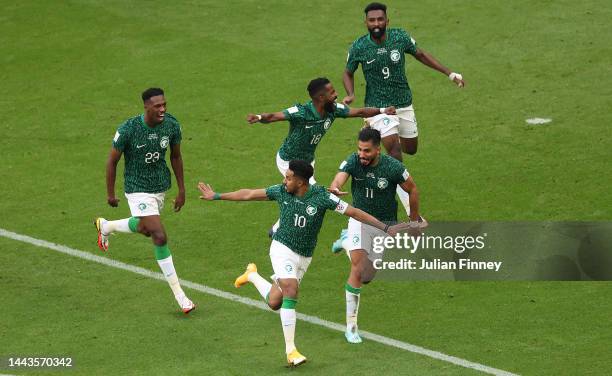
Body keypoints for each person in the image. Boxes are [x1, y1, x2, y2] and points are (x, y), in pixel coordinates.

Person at [197, 160, 409, 367]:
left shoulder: (322, 197)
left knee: (275, 302)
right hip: (282, 248)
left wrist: (385, 227)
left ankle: (252, 275)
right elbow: (249, 193)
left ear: (301, 182)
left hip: (304, 256)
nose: (284, 181)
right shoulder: (280, 191)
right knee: (291, 289)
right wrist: (217, 196)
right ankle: (291, 350)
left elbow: (354, 212)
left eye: (288, 178)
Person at [342, 1, 465, 214]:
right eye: (372, 20)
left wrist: (449, 73)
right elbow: (348, 72)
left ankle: (382, 155)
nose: (376, 23)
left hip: (404, 104)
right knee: (395, 151)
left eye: (380, 19)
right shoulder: (359, 47)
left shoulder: (400, 37)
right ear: (366, 23)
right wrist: (351, 93)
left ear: (387, 21)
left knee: (410, 149)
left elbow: (421, 54)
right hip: (379, 108)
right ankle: (410, 208)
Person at [246, 77, 396, 235]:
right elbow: (275, 116)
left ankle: (280, 224)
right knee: (309, 193)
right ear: (321, 97)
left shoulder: (334, 110)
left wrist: (382, 110)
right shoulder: (302, 112)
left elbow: (359, 112)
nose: (336, 94)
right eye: (332, 92)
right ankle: (278, 229)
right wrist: (259, 117)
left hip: (308, 161)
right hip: (288, 161)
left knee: (304, 193)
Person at [94, 88, 195, 314]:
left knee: (145, 228)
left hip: (159, 187)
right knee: (158, 235)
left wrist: (181, 189)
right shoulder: (128, 129)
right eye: (157, 106)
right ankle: (181, 296)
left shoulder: (171, 125)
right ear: (146, 107)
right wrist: (110, 193)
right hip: (137, 188)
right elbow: (112, 162)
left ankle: (106, 226)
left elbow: (176, 156)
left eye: (164, 105)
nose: (163, 109)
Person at [328, 128, 424, 343]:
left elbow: (413, 189)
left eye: (367, 151)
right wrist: (335, 188)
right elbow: (338, 179)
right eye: (360, 149)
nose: (362, 154)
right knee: (358, 268)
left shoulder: (393, 167)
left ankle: (345, 242)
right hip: (360, 220)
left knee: (368, 277)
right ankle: (351, 326)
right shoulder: (353, 161)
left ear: (378, 150)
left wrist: (415, 222)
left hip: (384, 226)